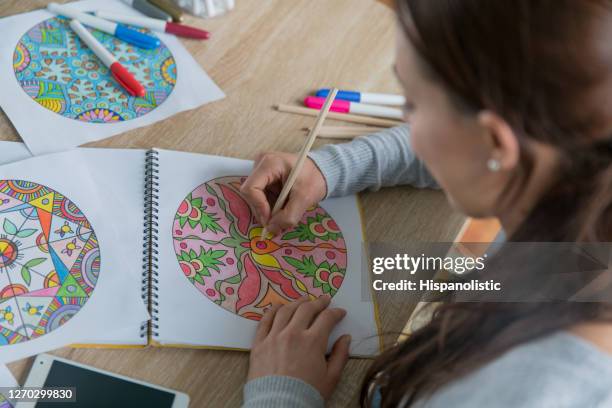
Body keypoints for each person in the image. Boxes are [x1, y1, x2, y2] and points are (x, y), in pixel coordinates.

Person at [240, 0, 612, 406]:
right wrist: (333, 167)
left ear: (493, 142)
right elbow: (474, 144)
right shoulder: (579, 167)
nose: (406, 121)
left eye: (413, 104)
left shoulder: (516, 393)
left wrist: (282, 394)